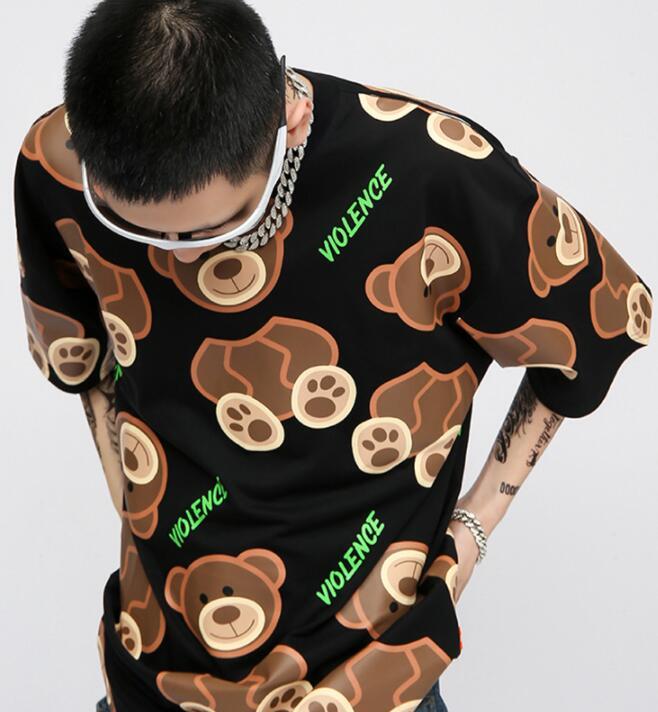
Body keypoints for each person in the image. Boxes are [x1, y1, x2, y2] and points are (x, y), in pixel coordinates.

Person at [13, 1, 652, 711]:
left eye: (213, 231)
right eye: (137, 231)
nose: (178, 259)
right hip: (152, 670)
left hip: (370, 679)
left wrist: (472, 532)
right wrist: (133, 501)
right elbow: (82, 356)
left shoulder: (431, 174)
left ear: (286, 122)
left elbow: (594, 329)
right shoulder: (56, 163)